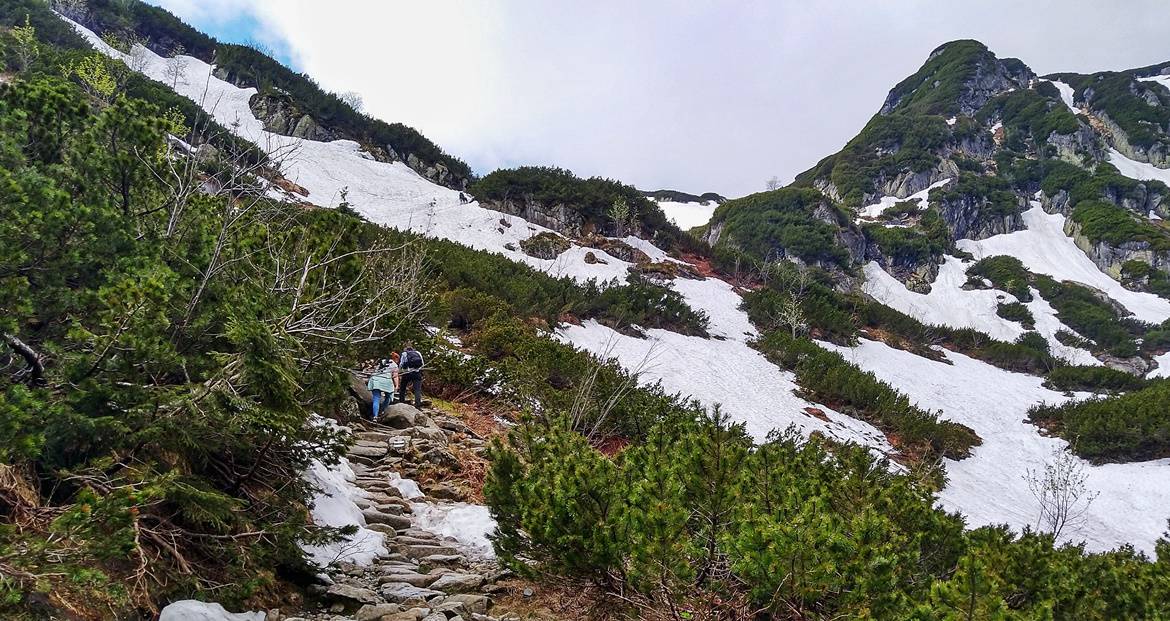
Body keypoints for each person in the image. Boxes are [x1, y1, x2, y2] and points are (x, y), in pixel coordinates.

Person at [366, 357, 398, 421]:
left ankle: (375, 416)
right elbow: (395, 376)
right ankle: (382, 411)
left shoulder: (379, 362)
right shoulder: (394, 365)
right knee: (388, 397)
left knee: (376, 398)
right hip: (386, 380)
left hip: (375, 379)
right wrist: (396, 385)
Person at [397, 342, 424, 408]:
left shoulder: (404, 353)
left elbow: (401, 364)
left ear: (406, 349)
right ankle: (417, 404)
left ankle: (401, 402)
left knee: (403, 388)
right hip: (417, 372)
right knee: (417, 389)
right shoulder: (418, 353)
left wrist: (399, 371)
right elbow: (422, 363)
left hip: (407, 373)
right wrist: (418, 369)